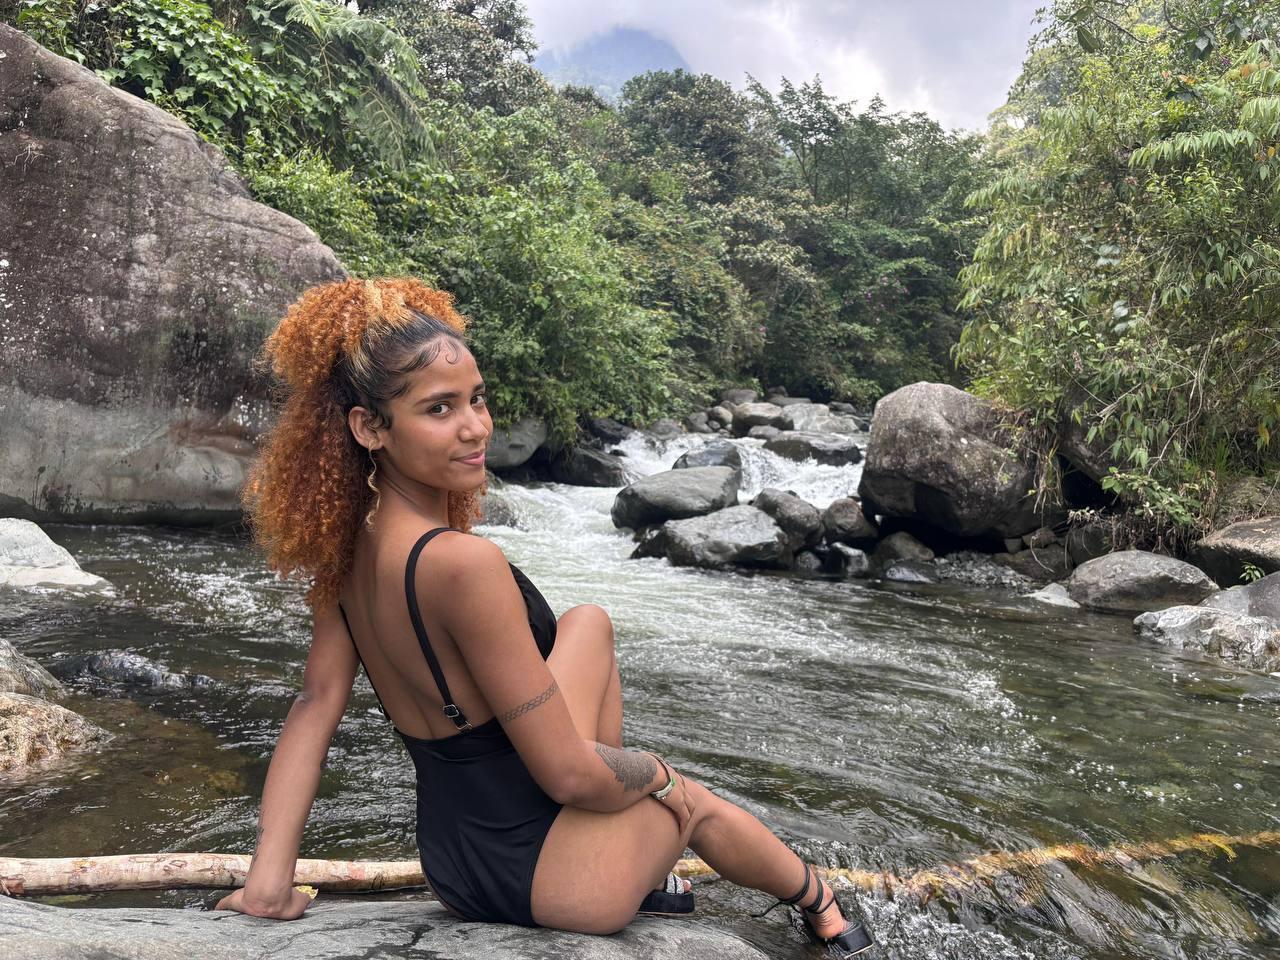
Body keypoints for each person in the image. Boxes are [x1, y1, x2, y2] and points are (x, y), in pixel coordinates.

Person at [214, 278, 874, 957]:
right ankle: (821, 905)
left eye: (476, 399)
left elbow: (315, 703)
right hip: (552, 883)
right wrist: (657, 775)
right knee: (690, 803)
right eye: (439, 408)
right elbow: (567, 775)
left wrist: (269, 885)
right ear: (369, 428)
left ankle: (632, 859)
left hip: (454, 867)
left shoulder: (348, 548)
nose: (476, 427)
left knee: (588, 622)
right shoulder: (462, 564)